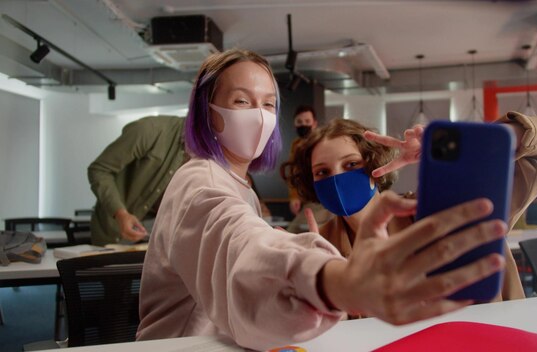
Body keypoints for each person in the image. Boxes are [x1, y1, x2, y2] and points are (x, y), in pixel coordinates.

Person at [136, 48, 513, 350]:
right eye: (241, 101)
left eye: (268, 104)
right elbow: (238, 248)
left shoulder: (239, 186)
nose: (260, 116)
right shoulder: (198, 181)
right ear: (208, 114)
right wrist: (336, 280)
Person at [284, 115, 537, 302]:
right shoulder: (316, 245)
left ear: (374, 167)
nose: (336, 179)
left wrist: (478, 143)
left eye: (350, 165)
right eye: (322, 172)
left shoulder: (440, 211)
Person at [87, 115, 187, 245]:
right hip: (117, 232)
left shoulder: (211, 153)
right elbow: (99, 170)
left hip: (161, 237)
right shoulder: (150, 130)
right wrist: (120, 214)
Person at [281, 105, 332, 232]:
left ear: (314, 123)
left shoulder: (322, 143)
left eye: (307, 121)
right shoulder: (296, 145)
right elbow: (294, 172)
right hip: (307, 200)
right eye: (299, 122)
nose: (303, 124)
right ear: (294, 124)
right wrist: (294, 197)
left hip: (323, 200)